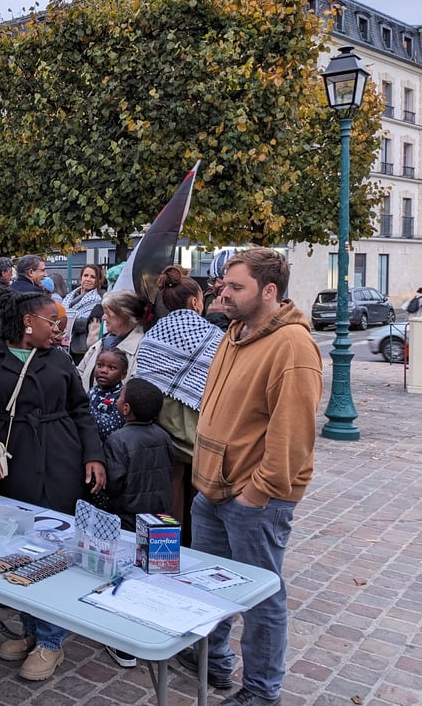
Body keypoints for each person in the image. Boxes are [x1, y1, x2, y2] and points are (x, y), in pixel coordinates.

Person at [176, 247, 322, 706]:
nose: (224, 292)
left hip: (253, 500)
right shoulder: (235, 331)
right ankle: (214, 663)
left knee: (261, 600)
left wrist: (256, 494)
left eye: (236, 287)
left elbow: (292, 437)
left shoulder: (293, 346)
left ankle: (261, 692)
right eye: (224, 285)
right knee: (207, 585)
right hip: (212, 489)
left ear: (270, 291)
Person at [0, 291, 104, 681]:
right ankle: (30, 631)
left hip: (60, 459)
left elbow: (81, 409)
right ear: (28, 321)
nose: (59, 328)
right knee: (20, 548)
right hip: (11, 463)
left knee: (55, 550)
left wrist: (93, 454)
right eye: (51, 321)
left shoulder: (58, 358)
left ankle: (51, 642)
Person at [135, 265, 223, 545]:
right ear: (196, 301)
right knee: (201, 489)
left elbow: (144, 378)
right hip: (200, 419)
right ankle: (199, 545)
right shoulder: (212, 336)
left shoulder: (151, 336)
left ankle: (168, 547)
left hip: (162, 421)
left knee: (171, 487)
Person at [100, 376, 173, 669]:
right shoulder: (164, 436)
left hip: (128, 519)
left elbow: (114, 483)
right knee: (155, 578)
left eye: (121, 397)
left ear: (126, 408)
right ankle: (155, 633)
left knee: (124, 581)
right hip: (161, 518)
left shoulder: (118, 440)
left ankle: (124, 645)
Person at [77, 290, 146, 392]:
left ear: (123, 317)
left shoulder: (141, 348)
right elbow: (80, 373)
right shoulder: (101, 343)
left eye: (108, 314)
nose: (103, 318)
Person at [64, 264, 106, 361]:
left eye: (93, 277)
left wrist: (66, 320)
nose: (88, 279)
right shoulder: (69, 296)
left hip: (80, 349)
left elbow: (86, 323)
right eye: (85, 275)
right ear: (80, 278)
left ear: (98, 281)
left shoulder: (98, 301)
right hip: (64, 345)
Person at [88, 347, 128, 441]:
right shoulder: (92, 391)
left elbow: (109, 431)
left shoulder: (121, 398)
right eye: (100, 365)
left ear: (123, 374)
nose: (103, 371)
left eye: (112, 368)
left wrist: (85, 406)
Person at [203, 249, 235, 331]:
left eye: (222, 278)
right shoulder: (205, 300)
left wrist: (216, 317)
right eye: (213, 281)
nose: (216, 285)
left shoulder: (250, 306)